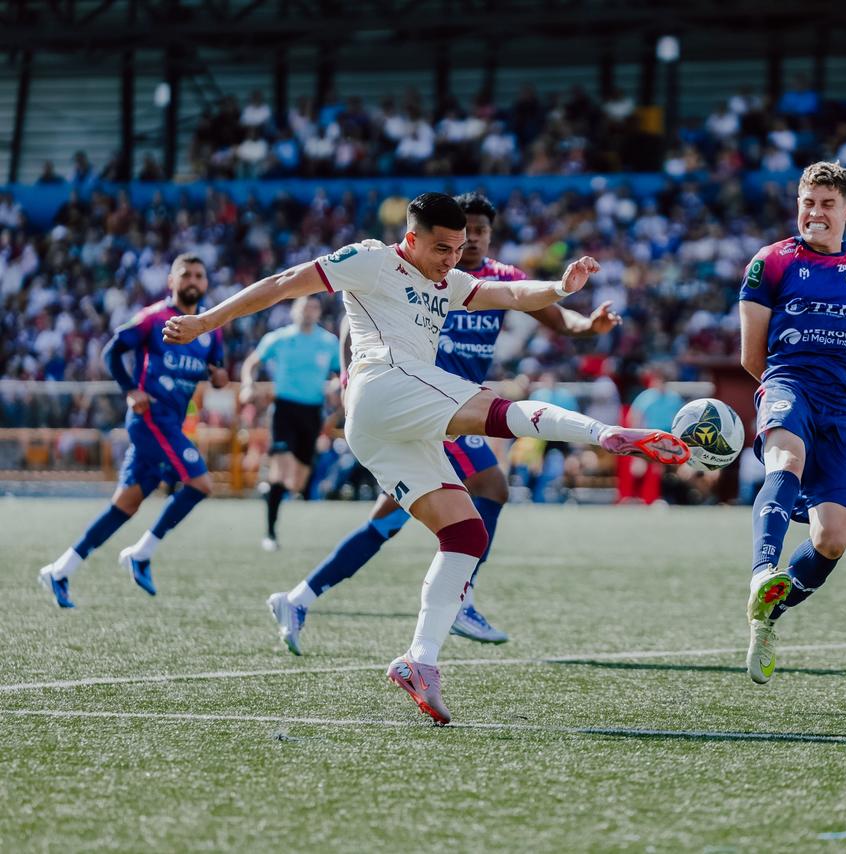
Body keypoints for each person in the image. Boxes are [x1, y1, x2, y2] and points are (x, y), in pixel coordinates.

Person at [163, 192, 688, 723]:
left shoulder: (451, 282)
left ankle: (420, 660)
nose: (452, 258)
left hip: (391, 429)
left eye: (459, 247)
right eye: (441, 248)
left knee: (465, 534)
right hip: (383, 387)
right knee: (496, 411)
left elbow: (507, 294)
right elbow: (281, 284)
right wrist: (206, 321)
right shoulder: (370, 259)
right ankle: (609, 434)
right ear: (410, 239)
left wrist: (559, 288)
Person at [266, 192, 622, 653]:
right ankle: (462, 597)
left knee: (389, 521)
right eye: (463, 231)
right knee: (491, 487)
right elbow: (354, 322)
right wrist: (349, 375)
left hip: (451, 409)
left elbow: (551, 313)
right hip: (426, 406)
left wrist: (586, 325)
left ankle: (299, 598)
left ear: (490, 236)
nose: (470, 240)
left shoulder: (490, 280)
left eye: (479, 232)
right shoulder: (417, 273)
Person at [738, 161, 846, 685]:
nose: (816, 212)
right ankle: (763, 570)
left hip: (844, 412)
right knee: (787, 458)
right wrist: (782, 393)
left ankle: (767, 618)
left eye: (827, 204)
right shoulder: (771, 262)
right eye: (808, 202)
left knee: (832, 538)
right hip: (789, 385)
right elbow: (750, 355)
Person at [38, 255, 229, 607]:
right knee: (201, 483)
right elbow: (113, 351)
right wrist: (130, 389)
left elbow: (216, 371)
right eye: (185, 274)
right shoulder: (153, 318)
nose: (193, 280)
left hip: (172, 421)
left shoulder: (209, 327)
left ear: (205, 284)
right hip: (151, 418)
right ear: (171, 281)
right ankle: (142, 552)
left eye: (199, 276)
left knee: (126, 504)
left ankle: (60, 570)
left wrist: (218, 377)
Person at [239, 296, 341, 550]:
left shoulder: (328, 342)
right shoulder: (279, 338)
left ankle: (272, 487)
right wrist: (248, 384)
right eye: (304, 307)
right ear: (294, 311)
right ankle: (270, 533)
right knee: (281, 471)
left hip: (313, 412)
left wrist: (337, 386)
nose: (308, 312)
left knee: (297, 482)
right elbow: (251, 363)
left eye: (314, 308)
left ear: (319, 312)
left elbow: (342, 372)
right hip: (284, 409)